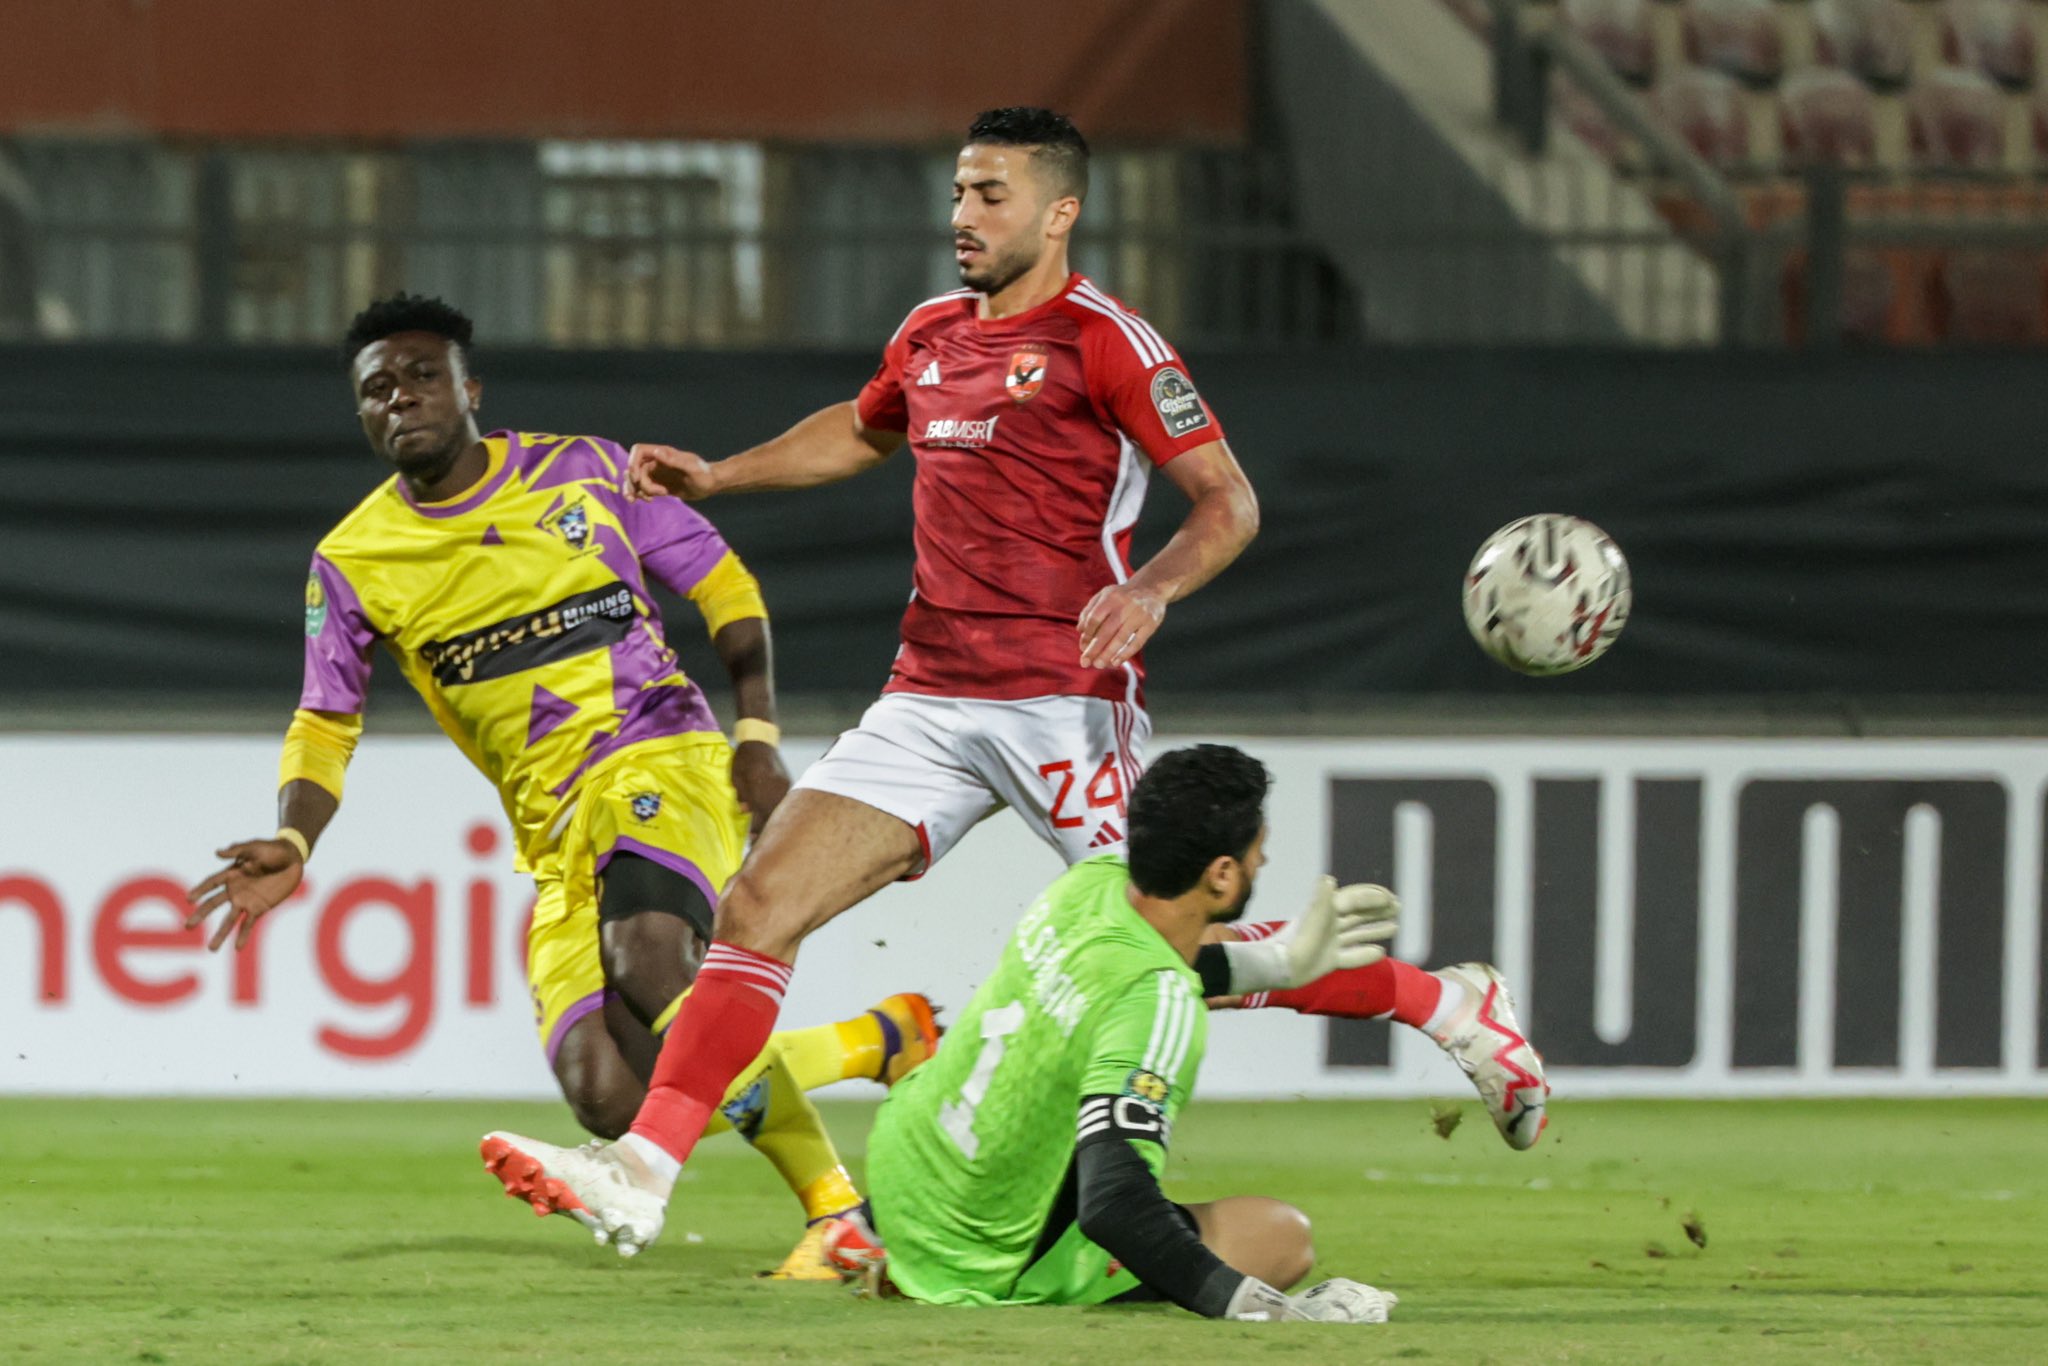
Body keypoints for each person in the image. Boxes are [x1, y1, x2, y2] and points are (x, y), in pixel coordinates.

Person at [479, 107, 1542, 1256]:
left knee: (1160, 943)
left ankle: (1442, 1002)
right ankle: (640, 1174)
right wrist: (721, 475)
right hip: (927, 698)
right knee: (755, 908)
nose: (963, 215)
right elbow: (863, 428)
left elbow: (1227, 502)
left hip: (1061, 698)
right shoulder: (930, 332)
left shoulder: (1107, 342)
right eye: (957, 193)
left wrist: (1150, 590)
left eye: (990, 194)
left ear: (1058, 211)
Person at [182, 293, 937, 1278]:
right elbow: (325, 719)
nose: (399, 397)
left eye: (421, 375)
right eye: (376, 388)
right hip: (551, 832)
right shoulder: (354, 560)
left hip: (661, 759)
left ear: (470, 389)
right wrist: (296, 839)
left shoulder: (587, 470)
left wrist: (755, 734)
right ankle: (874, 1041)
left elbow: (724, 586)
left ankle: (836, 1214)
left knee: (649, 956)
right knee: (612, 1098)